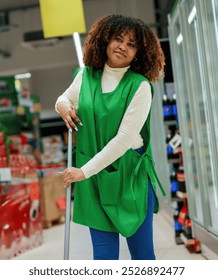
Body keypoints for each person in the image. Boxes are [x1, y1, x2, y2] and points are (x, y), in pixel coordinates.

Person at [55, 14, 166, 260]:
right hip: (94, 179)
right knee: (103, 256)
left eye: (131, 44)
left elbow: (125, 138)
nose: (122, 47)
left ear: (138, 53)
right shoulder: (86, 76)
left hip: (129, 176)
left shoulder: (140, 86)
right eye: (118, 39)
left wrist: (83, 171)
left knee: (142, 254)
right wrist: (63, 106)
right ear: (105, 41)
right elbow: (64, 98)